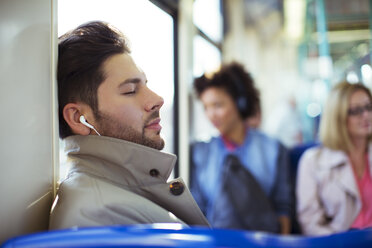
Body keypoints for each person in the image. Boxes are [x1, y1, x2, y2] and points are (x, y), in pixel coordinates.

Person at [49, 21, 209, 230]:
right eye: (130, 90)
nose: (157, 99)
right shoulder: (96, 216)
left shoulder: (117, 193)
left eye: (146, 84)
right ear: (78, 117)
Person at [190, 62, 292, 234]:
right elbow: (196, 210)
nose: (211, 115)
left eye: (218, 105)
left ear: (240, 103)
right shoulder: (200, 153)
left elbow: (283, 207)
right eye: (206, 107)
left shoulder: (273, 149)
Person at [296, 81, 372, 236]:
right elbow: (310, 223)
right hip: (338, 243)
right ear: (338, 117)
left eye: (369, 107)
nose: (366, 115)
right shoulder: (312, 161)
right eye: (356, 111)